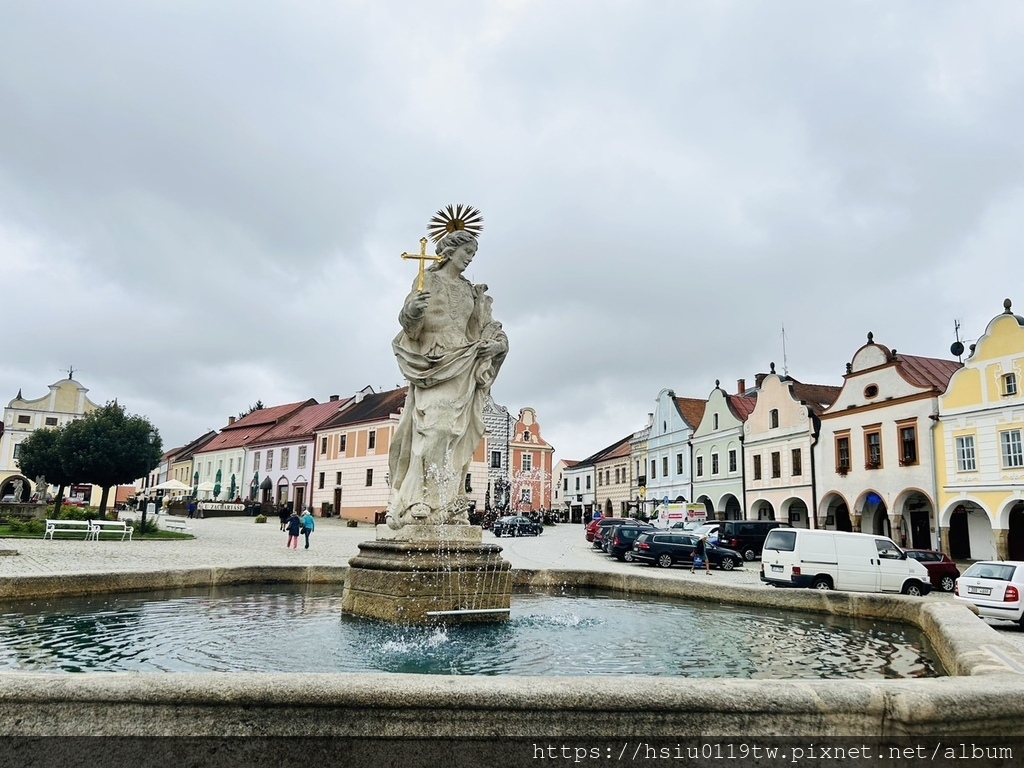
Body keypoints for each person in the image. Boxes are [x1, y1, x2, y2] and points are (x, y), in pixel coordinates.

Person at [386, 228, 508, 529]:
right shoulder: (429, 279)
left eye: (474, 255)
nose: (470, 259)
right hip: (433, 360)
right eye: (467, 252)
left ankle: (449, 501)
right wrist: (411, 313)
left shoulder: (470, 290)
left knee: (459, 433)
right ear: (451, 249)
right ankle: (418, 498)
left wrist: (497, 343)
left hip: (464, 361)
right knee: (435, 429)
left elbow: (483, 327)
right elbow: (412, 327)